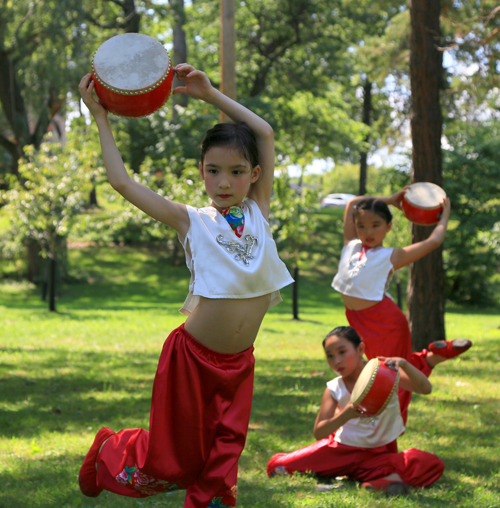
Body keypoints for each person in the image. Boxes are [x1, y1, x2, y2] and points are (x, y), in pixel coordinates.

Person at [77, 64, 294, 508]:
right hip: (191, 361)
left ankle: (211, 501)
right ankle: (108, 453)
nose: (223, 182)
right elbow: (121, 182)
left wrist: (211, 95)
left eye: (236, 172)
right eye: (213, 171)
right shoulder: (190, 220)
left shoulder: (259, 212)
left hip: (240, 361)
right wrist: (100, 118)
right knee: (171, 462)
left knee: (224, 452)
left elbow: (265, 133)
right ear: (201, 171)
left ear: (254, 175)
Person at [332, 191, 471, 421]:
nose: (368, 231)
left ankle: (389, 427)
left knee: (391, 374)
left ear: (388, 227)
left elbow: (433, 242)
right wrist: (391, 199)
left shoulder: (391, 256)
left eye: (376, 225)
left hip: (385, 322)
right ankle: (432, 357)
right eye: (362, 226)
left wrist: (444, 214)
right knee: (381, 372)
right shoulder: (351, 246)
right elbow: (353, 203)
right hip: (357, 320)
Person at [267, 326, 445, 495]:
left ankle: (377, 484)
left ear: (360, 349)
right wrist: (346, 414)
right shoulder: (334, 388)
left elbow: (425, 389)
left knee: (431, 463)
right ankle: (383, 478)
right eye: (330, 356)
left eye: (342, 352)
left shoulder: (385, 373)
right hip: (340, 452)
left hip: (378, 455)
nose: (336, 361)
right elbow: (319, 431)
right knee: (277, 466)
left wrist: (405, 364)